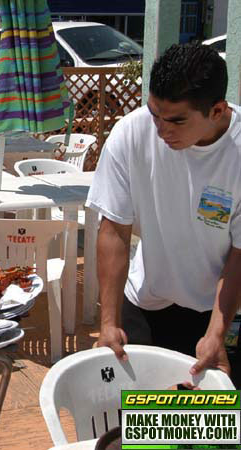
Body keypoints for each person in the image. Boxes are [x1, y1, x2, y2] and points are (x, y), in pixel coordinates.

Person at [86, 43, 241, 385]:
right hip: (147, 302)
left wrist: (217, 332)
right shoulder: (131, 133)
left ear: (217, 111)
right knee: (144, 429)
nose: (160, 129)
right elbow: (114, 230)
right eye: (155, 113)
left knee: (211, 428)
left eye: (176, 120)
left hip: (218, 310)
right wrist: (108, 323)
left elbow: (239, 255)